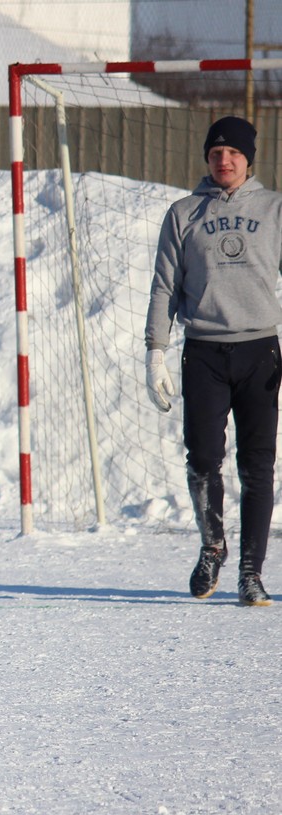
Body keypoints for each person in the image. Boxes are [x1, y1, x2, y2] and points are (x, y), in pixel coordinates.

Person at [145, 116, 282, 608]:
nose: (223, 160)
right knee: (203, 458)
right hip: (203, 350)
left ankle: (251, 571)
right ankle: (212, 546)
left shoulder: (274, 209)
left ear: (248, 159)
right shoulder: (183, 213)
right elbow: (165, 286)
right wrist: (155, 351)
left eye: (233, 153)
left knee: (257, 466)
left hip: (259, 352)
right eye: (215, 152)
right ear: (206, 159)